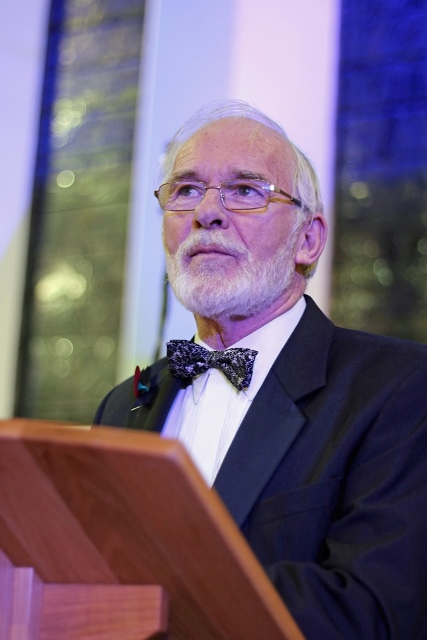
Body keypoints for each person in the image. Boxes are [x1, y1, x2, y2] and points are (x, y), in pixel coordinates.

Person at [94, 100, 427, 639]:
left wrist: (158, 596)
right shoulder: (124, 402)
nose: (207, 212)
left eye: (245, 190)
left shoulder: (400, 388)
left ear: (308, 238)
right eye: (185, 190)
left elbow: (376, 610)